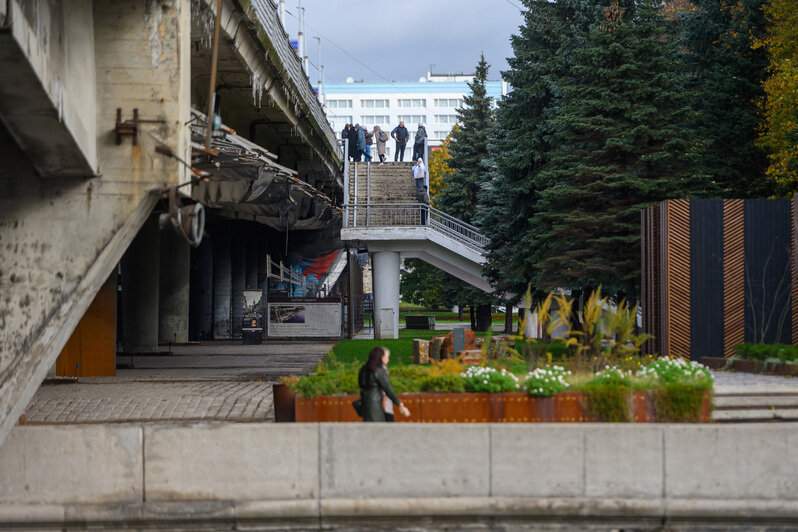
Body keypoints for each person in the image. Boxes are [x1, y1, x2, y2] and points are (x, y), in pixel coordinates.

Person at [358, 346, 410, 422]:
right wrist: (399, 403)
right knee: (378, 423)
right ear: (381, 357)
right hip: (376, 402)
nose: (388, 360)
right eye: (386, 357)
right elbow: (388, 388)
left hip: (365, 400)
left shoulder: (364, 368)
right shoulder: (379, 370)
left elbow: (360, 384)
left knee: (368, 423)